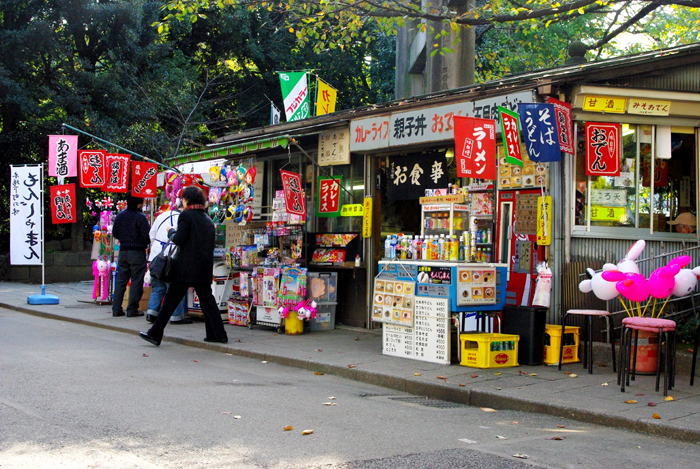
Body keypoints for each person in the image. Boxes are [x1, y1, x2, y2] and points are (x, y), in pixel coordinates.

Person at [139, 186, 228, 346]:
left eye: (184, 199)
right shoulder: (207, 219)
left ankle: (155, 333)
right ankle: (218, 334)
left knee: (170, 302)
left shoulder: (186, 216)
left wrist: (171, 231)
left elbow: (179, 239)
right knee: (208, 301)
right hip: (203, 268)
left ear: (187, 200)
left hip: (186, 268)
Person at [146, 201, 190, 324]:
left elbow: (152, 235)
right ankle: (177, 316)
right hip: (172, 258)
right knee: (174, 288)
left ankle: (151, 313)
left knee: (157, 287)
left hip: (156, 256)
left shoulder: (162, 216)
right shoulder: (183, 219)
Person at [112, 195, 150, 317]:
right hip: (137, 252)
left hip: (123, 252)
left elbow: (115, 233)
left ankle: (116, 308)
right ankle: (132, 309)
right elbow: (146, 236)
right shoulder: (141, 217)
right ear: (139, 204)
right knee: (136, 280)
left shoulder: (120, 216)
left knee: (121, 280)